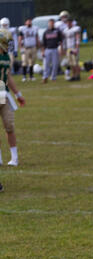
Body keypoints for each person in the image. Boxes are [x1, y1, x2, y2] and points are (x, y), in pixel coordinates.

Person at [0, 29, 25, 167]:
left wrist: (18, 95)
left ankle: (14, 158)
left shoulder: (5, 57)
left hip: (4, 95)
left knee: (9, 126)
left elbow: (8, 77)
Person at [42, 19, 63, 84]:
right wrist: (43, 51)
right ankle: (45, 77)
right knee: (46, 64)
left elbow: (60, 42)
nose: (51, 24)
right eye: (50, 23)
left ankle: (53, 78)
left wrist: (61, 49)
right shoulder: (46, 32)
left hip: (55, 49)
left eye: (52, 23)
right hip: (47, 49)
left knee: (55, 64)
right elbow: (43, 43)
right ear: (48, 24)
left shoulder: (57, 31)